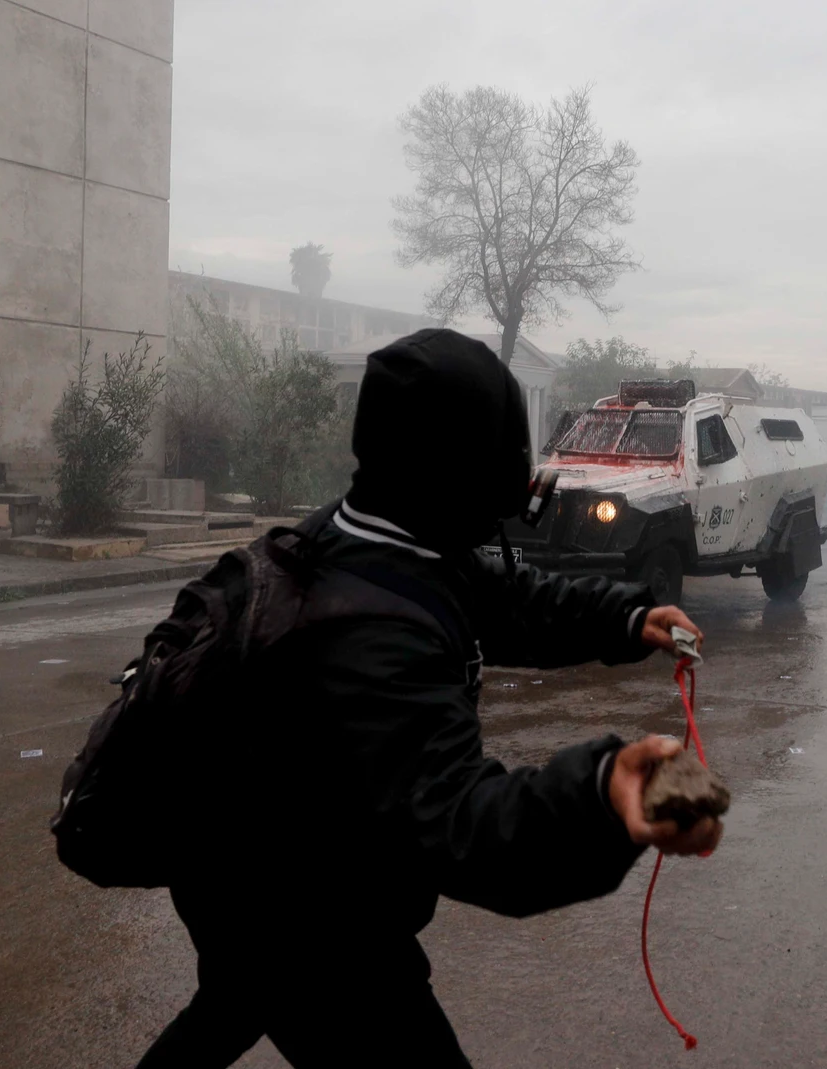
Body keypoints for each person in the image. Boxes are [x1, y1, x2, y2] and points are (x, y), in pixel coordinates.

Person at [136, 330, 723, 1068]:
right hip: (306, 910)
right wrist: (602, 794)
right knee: (304, 1001)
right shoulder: (368, 632)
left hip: (241, 860)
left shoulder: (367, 536)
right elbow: (457, 823)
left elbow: (503, 597)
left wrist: (626, 617)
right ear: (466, 470)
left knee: (235, 998)